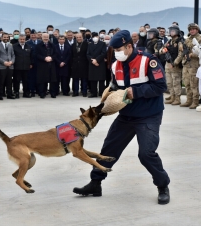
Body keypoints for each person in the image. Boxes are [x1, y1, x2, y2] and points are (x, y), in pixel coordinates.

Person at [73, 30, 170, 205]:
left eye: (119, 49)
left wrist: (137, 92)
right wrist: (107, 97)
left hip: (148, 115)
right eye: (114, 49)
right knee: (108, 150)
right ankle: (95, 183)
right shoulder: (115, 65)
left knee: (146, 153)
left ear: (129, 46)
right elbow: (115, 86)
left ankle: (163, 186)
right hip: (126, 115)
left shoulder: (149, 61)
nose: (116, 52)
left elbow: (161, 86)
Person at [180, 23, 201, 108]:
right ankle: (189, 100)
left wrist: (192, 55)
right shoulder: (187, 40)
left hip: (195, 65)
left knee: (194, 84)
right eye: (190, 29)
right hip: (186, 64)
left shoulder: (200, 39)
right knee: (187, 83)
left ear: (197, 30)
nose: (192, 31)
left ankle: (195, 101)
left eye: (193, 29)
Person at [160, 25, 183, 105]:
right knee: (169, 82)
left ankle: (177, 98)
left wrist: (175, 63)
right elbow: (162, 50)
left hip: (175, 65)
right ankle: (172, 96)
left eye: (173, 31)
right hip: (168, 64)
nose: (171, 32)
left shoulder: (179, 42)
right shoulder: (169, 42)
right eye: (170, 31)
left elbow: (181, 54)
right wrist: (163, 50)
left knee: (176, 82)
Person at [0, 32, 15, 100]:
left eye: (7, 37)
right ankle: (0, 95)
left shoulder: (10, 45)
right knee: (1, 81)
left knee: (9, 81)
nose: (6, 38)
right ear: (1, 38)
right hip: (2, 66)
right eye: (4, 37)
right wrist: (4, 62)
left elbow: (13, 55)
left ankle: (9, 94)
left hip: (10, 66)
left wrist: (11, 61)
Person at [36, 33, 57, 98]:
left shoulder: (52, 45)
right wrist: (44, 58)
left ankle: (53, 93)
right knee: (42, 79)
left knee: (52, 80)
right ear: (41, 38)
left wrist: (51, 58)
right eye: (44, 37)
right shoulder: (38, 46)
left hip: (51, 64)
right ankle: (42, 93)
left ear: (49, 37)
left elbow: (56, 54)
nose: (45, 38)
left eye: (47, 37)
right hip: (42, 65)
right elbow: (37, 55)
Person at [86, 32, 106, 97]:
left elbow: (103, 53)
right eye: (94, 36)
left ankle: (101, 93)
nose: (95, 38)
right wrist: (92, 60)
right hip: (92, 63)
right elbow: (87, 54)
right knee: (93, 79)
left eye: (96, 36)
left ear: (98, 37)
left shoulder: (102, 44)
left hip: (100, 63)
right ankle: (93, 93)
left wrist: (97, 60)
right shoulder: (90, 44)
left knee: (101, 79)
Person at [26, 29, 41, 97]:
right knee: (31, 77)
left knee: (39, 77)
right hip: (32, 63)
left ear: (37, 35)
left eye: (34, 35)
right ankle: (32, 91)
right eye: (32, 35)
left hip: (40, 62)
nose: (33, 36)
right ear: (30, 35)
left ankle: (38, 90)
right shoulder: (27, 43)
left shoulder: (40, 42)